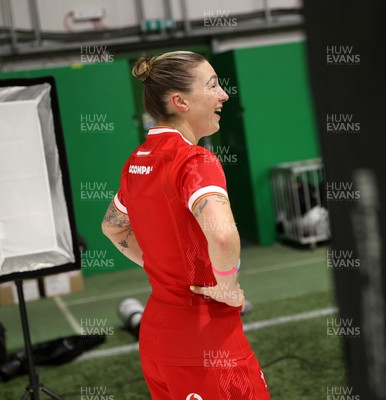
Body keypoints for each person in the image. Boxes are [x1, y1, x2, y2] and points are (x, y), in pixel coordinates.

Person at [101, 51, 271, 400]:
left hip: (157, 340)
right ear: (179, 101)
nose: (223, 94)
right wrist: (227, 287)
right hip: (207, 340)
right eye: (212, 86)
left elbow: (112, 227)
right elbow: (222, 235)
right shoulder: (196, 160)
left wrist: (163, 267)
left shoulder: (136, 162)